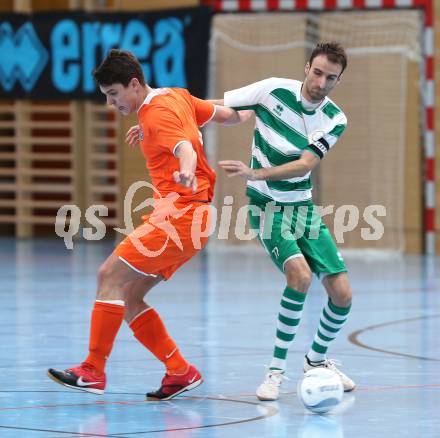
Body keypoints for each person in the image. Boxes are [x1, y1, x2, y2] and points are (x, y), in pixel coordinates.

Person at [47, 49, 245, 401]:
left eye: (113, 94)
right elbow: (231, 116)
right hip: (195, 220)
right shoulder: (175, 97)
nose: (111, 103)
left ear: (134, 84)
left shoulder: (156, 116)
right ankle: (180, 372)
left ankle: (93, 369)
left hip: (179, 216)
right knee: (128, 294)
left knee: (108, 277)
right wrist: (258, 105)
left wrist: (185, 166)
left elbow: (183, 146)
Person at [218, 42, 355, 401]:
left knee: (342, 295)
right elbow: (224, 107)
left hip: (303, 208)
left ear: (337, 81)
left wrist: (255, 171)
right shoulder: (272, 89)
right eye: (318, 72)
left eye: (331, 78)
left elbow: (306, 164)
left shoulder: (335, 119)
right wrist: (167, 114)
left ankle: (316, 360)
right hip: (266, 205)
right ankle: (275, 371)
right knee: (300, 276)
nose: (321, 82)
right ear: (307, 66)